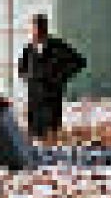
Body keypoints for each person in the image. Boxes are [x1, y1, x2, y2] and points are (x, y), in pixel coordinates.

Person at [16, 13, 87, 144]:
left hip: (52, 95)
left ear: (46, 28)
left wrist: (60, 77)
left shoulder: (58, 46)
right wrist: (28, 78)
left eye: (40, 27)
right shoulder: (29, 49)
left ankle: (53, 154)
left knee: (51, 130)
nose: (37, 31)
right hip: (35, 96)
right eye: (35, 27)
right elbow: (21, 69)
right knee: (35, 132)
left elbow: (80, 62)